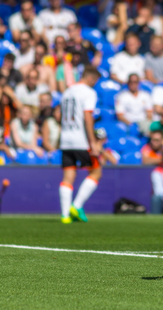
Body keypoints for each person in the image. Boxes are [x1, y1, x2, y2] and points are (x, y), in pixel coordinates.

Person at [58, 66, 102, 224]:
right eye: (95, 81)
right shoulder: (89, 92)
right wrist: (93, 142)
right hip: (81, 140)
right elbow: (87, 117)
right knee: (96, 172)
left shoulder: (67, 91)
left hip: (65, 139)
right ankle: (76, 206)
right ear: (90, 78)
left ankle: (64, 216)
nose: (95, 84)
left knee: (68, 176)